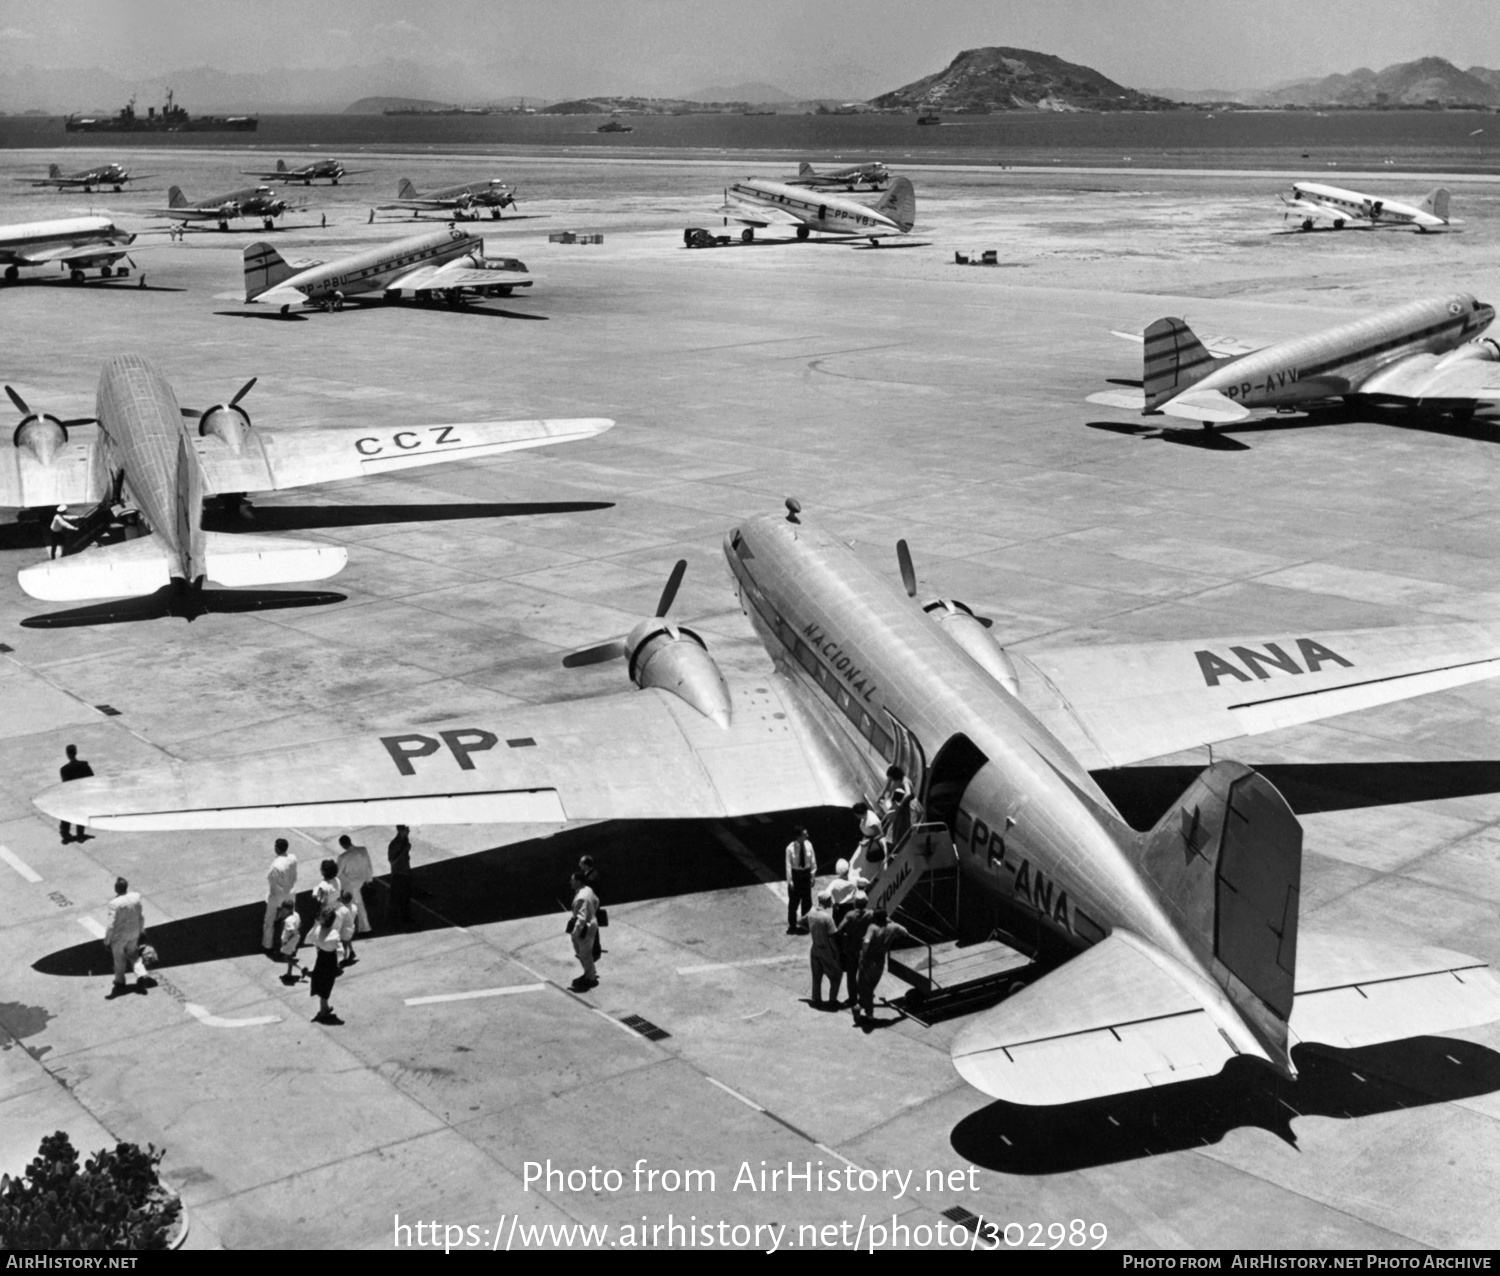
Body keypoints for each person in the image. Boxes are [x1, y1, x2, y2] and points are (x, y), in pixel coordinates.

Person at [854, 908, 910, 1024]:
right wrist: (891, 922)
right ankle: (863, 1006)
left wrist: (863, 953)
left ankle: (867, 1013)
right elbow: (905, 931)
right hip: (879, 962)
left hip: (868, 961)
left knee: (865, 987)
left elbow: (866, 941)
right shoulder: (892, 927)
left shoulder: (872, 928)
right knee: (870, 986)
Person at [104, 877, 145, 997]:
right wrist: (141, 930)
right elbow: (141, 916)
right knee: (133, 954)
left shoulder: (114, 904)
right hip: (134, 932)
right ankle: (141, 974)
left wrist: (107, 940)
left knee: (119, 958)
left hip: (119, 936)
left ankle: (119, 981)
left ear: (116, 889)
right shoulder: (136, 897)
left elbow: (111, 925)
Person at [835, 891, 874, 1013]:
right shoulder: (871, 914)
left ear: (855, 904)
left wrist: (846, 936)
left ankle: (852, 998)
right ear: (866, 903)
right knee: (865, 975)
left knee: (851, 975)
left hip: (851, 949)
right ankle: (866, 996)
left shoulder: (850, 915)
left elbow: (839, 929)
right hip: (865, 950)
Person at [307, 907, 345, 1023]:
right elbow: (340, 951)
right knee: (328, 983)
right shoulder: (334, 934)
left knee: (321, 981)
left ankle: (325, 1007)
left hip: (321, 958)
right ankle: (323, 1011)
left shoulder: (318, 930)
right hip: (330, 960)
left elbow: (314, 941)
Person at [807, 891, 843, 1009]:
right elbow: (833, 937)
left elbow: (800, 922)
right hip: (825, 950)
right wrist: (836, 954)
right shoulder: (827, 918)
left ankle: (816, 999)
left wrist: (814, 932)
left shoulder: (811, 913)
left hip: (815, 948)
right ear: (827, 900)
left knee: (816, 977)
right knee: (836, 976)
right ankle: (832, 1001)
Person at [263, 838, 298, 950]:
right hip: (291, 893)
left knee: (269, 920)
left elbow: (273, 882)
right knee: (291, 920)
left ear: (277, 848)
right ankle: (290, 944)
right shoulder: (292, 858)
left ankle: (267, 944)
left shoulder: (276, 866)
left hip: (278, 895)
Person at [335, 834, 374, 936]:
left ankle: (352, 930)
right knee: (359, 906)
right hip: (362, 880)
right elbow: (368, 865)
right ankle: (365, 928)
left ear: (342, 845)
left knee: (350, 907)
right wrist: (369, 879)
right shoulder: (363, 850)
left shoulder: (343, 857)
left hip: (350, 884)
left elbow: (338, 872)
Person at [568, 871, 599, 991]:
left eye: (573, 880)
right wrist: (592, 914)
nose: (571, 882)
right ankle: (589, 973)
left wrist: (575, 934)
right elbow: (596, 901)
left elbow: (581, 919)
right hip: (591, 924)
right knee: (586, 953)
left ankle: (590, 978)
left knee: (584, 954)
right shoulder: (588, 889)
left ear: (578, 881)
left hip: (584, 928)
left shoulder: (581, 897)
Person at [58, 745, 94, 845]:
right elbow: (91, 778)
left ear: (67, 754)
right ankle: (80, 834)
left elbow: (66, 784)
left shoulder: (64, 769)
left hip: (72, 795)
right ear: (76, 752)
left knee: (67, 814)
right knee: (81, 813)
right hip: (83, 794)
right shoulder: (84, 765)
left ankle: (65, 834)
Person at [785, 826, 817, 934]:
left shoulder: (809, 845)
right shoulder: (790, 848)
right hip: (796, 875)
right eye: (804, 834)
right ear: (798, 836)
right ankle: (792, 925)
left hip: (806, 875)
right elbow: (788, 866)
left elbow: (813, 861)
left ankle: (805, 924)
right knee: (793, 903)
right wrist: (790, 881)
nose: (807, 836)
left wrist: (812, 876)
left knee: (807, 901)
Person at [386, 825, 413, 927]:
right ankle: (391, 922)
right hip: (398, 874)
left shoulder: (405, 839)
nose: (409, 830)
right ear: (401, 831)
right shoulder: (394, 844)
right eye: (407, 829)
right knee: (395, 899)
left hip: (406, 872)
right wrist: (404, 851)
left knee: (406, 896)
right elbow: (392, 862)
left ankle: (406, 919)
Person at [828, 858, 867, 927]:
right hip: (852, 908)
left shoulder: (834, 883)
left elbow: (826, 895)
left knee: (838, 928)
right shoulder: (854, 879)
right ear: (848, 869)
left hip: (839, 909)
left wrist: (832, 903)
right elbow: (866, 882)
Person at [277, 900, 303, 983]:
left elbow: (291, 931)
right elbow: (300, 924)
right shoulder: (296, 914)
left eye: (284, 909)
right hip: (296, 938)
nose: (283, 911)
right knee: (290, 956)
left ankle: (301, 968)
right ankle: (289, 974)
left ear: (287, 909)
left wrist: (286, 941)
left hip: (290, 941)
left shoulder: (288, 920)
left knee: (286, 958)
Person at [854, 800, 884, 866]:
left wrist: (868, 841)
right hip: (867, 837)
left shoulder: (872, 822)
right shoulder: (866, 814)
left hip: (874, 842)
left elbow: (881, 834)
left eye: (856, 814)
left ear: (860, 814)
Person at [336, 890, 359, 965]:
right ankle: (352, 952)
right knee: (348, 940)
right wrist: (357, 927)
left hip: (345, 929)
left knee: (344, 944)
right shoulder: (354, 907)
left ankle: (345, 959)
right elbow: (357, 918)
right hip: (352, 927)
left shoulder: (344, 909)